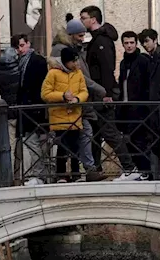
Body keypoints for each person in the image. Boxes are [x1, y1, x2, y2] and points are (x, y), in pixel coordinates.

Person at [80, 5, 139, 180]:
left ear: (93, 19)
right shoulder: (98, 40)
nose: (81, 20)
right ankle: (96, 171)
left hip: (102, 94)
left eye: (84, 17)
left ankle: (130, 168)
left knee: (109, 132)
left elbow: (106, 69)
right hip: (97, 94)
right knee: (96, 134)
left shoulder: (101, 42)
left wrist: (106, 93)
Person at [50, 17, 107, 181]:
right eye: (80, 36)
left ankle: (82, 171)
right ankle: (68, 173)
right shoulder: (61, 53)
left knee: (80, 135)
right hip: (64, 108)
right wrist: (64, 96)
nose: (83, 39)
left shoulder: (75, 50)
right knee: (66, 140)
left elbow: (81, 82)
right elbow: (47, 91)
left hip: (78, 105)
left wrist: (81, 97)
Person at [41, 47, 88, 182]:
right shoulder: (53, 73)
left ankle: (76, 173)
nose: (76, 63)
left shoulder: (78, 73)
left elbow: (84, 91)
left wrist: (77, 99)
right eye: (74, 61)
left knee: (75, 146)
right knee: (62, 146)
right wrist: (62, 96)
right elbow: (45, 93)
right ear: (67, 62)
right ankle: (61, 174)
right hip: (59, 116)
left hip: (75, 115)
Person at [10, 34, 49, 185]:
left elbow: (41, 86)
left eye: (21, 46)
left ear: (28, 43)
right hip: (25, 110)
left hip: (36, 110)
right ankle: (37, 175)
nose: (19, 50)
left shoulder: (38, 61)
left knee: (36, 143)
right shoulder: (17, 63)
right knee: (31, 143)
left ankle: (39, 175)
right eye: (16, 47)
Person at [117, 31, 152, 176]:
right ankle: (138, 171)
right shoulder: (123, 63)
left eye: (132, 43)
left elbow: (148, 83)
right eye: (126, 43)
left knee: (140, 141)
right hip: (126, 107)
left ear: (136, 44)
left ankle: (146, 172)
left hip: (140, 107)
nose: (129, 46)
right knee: (128, 140)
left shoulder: (143, 60)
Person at [139, 28, 160, 161]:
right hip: (155, 107)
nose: (145, 45)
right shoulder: (152, 59)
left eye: (147, 41)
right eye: (143, 42)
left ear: (155, 40)